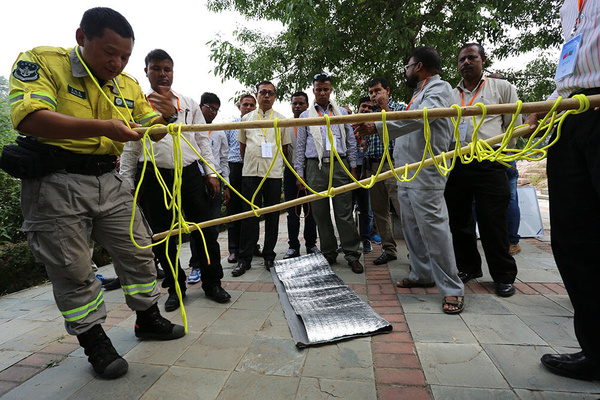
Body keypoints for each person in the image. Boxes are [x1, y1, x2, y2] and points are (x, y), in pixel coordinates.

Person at [5, 7, 185, 379]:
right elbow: (28, 117)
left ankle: (148, 318)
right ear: (81, 38)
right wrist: (103, 128)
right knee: (71, 267)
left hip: (109, 178)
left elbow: (148, 122)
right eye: (109, 52)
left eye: (125, 56)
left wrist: (164, 118)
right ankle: (94, 341)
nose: (117, 63)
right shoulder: (42, 61)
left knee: (138, 249)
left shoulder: (128, 84)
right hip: (55, 181)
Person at [353, 47, 464, 313]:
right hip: (406, 170)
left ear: (418, 66)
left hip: (426, 171)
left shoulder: (440, 89)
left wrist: (378, 125)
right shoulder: (419, 93)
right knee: (412, 229)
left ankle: (452, 289)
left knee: (435, 231)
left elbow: (417, 119)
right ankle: (421, 274)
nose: (405, 71)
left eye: (407, 66)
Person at [121, 49, 231, 312]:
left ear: (173, 72)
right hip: (154, 176)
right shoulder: (137, 105)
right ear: (146, 70)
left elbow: (202, 140)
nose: (162, 74)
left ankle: (212, 282)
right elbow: (130, 149)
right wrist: (126, 186)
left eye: (167, 69)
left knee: (205, 231)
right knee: (164, 236)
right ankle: (175, 288)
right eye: (156, 68)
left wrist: (211, 174)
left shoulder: (189, 103)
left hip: (191, 173)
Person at [525, 0, 600, 381]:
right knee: (573, 241)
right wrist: (551, 103)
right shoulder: (570, 5)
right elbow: (577, 64)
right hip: (571, 115)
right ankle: (596, 351)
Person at [445, 43, 519, 298]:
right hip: (458, 162)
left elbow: (513, 124)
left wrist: (505, 156)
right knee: (460, 221)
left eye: (471, 58)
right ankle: (468, 267)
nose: (466, 62)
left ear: (483, 60)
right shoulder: (451, 94)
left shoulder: (502, 87)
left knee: (493, 222)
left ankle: (503, 276)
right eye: (461, 59)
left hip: (491, 161)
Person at [295, 73, 364, 274]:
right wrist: (300, 173)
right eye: (319, 89)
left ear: (331, 90)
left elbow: (350, 142)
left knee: (344, 213)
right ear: (313, 91)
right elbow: (300, 147)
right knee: (320, 213)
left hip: (340, 165)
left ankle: (352, 254)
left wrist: (352, 167)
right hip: (315, 168)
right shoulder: (305, 116)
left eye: (326, 89)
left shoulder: (341, 112)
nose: (322, 93)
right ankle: (328, 253)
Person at [231, 81, 291, 276]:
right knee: (249, 215)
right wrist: (251, 163)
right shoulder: (246, 119)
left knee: (272, 216)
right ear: (257, 95)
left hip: (273, 174)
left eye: (270, 93)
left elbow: (284, 149)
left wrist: (275, 166)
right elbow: (242, 148)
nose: (266, 96)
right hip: (250, 173)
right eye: (263, 92)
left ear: (275, 97)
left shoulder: (282, 120)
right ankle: (244, 259)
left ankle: (269, 256)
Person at [187, 92, 230, 283]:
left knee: (212, 227)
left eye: (216, 110)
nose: (212, 113)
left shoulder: (220, 131)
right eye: (210, 108)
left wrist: (225, 185)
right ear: (200, 106)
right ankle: (196, 266)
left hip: (216, 181)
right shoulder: (189, 129)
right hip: (195, 181)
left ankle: (213, 272)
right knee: (197, 226)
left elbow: (223, 158)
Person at [363, 78, 405, 265]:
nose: (374, 95)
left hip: (394, 163)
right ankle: (389, 249)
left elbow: (402, 130)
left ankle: (417, 251)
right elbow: (366, 144)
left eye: (377, 91)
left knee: (402, 208)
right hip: (373, 166)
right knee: (379, 210)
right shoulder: (368, 114)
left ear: (387, 91)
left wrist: (385, 109)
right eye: (371, 92)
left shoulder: (401, 109)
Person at [487, 72, 523, 256]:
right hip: (498, 153)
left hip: (502, 154)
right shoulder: (501, 96)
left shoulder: (502, 93)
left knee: (509, 200)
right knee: (507, 199)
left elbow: (514, 124)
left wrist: (507, 149)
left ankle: (512, 241)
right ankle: (510, 240)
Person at [282, 91, 319, 259]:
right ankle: (293, 247)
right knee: (293, 212)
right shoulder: (285, 125)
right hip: (290, 172)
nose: (297, 106)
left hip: (310, 170)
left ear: (307, 105)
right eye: (294, 103)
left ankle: (311, 245)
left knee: (311, 211)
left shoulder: (313, 122)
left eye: (301, 103)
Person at [225, 94, 258, 264]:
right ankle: (234, 249)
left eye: (252, 105)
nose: (249, 108)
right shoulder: (231, 125)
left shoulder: (258, 125)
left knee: (252, 209)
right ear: (239, 106)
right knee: (234, 209)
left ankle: (252, 246)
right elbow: (225, 150)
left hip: (253, 169)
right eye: (246, 104)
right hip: (235, 167)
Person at [351, 99, 375, 254]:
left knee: (366, 208)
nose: (366, 109)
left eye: (370, 107)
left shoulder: (375, 126)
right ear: (358, 108)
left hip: (367, 170)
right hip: (350, 171)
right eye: (363, 107)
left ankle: (366, 239)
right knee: (347, 208)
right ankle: (350, 240)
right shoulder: (349, 125)